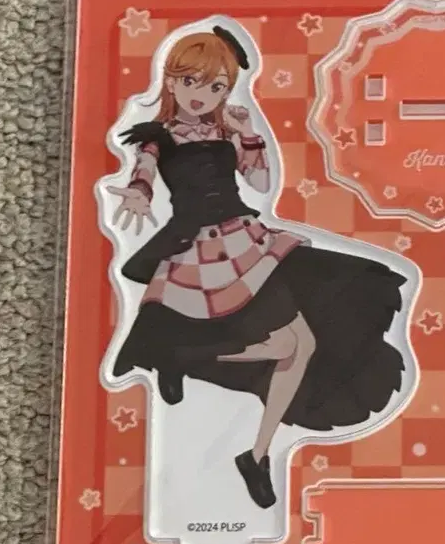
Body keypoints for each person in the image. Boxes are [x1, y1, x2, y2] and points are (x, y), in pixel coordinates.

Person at [107, 26, 408, 510]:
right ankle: (183, 356)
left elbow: (263, 182)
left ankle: (255, 452)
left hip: (247, 241)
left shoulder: (229, 131)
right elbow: (142, 174)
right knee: (291, 344)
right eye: (190, 81)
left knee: (301, 343)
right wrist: (138, 195)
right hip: (199, 251)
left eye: (216, 86)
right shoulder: (157, 138)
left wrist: (247, 133)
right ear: (171, 80)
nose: (201, 95)